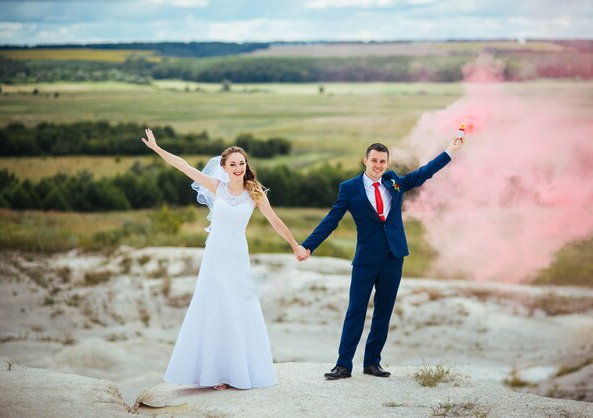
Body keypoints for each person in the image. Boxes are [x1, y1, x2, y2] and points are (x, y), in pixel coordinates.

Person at [141, 128, 309, 390]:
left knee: (238, 307)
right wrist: (157, 148)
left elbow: (276, 222)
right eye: (233, 164)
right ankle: (214, 373)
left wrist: (295, 246)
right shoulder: (216, 186)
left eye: (242, 163)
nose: (239, 167)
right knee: (214, 306)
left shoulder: (255, 193)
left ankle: (236, 371)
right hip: (215, 256)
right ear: (224, 167)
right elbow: (183, 166)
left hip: (238, 257)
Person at [299, 137, 463, 380]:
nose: (378, 165)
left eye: (382, 161)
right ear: (365, 160)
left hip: (394, 256)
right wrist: (308, 246)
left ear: (387, 163)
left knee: (384, 311)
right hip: (366, 259)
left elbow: (423, 173)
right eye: (374, 160)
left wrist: (450, 151)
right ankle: (343, 365)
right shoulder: (349, 188)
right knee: (356, 310)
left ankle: (372, 363)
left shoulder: (393, 181)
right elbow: (331, 220)